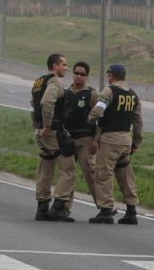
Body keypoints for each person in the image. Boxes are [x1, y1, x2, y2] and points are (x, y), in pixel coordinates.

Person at [88, 64, 143, 225]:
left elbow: (98, 110)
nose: (108, 77)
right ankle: (131, 211)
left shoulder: (109, 91)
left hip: (110, 139)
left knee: (103, 174)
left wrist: (89, 119)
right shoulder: (133, 95)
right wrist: (136, 142)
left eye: (109, 75)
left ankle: (106, 210)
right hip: (126, 139)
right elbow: (138, 122)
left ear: (112, 75)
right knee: (125, 174)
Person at [31, 53, 76, 222]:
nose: (66, 68)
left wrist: (39, 127)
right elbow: (46, 102)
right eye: (64, 64)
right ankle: (58, 206)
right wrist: (48, 126)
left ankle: (42, 207)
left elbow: (33, 105)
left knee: (46, 168)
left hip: (40, 131)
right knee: (69, 169)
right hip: (53, 131)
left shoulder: (38, 82)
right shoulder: (55, 82)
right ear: (55, 66)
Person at [63, 61, 98, 211]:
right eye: (76, 73)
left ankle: (104, 207)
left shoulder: (92, 94)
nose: (78, 76)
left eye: (82, 74)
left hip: (86, 141)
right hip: (68, 140)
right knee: (67, 175)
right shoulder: (66, 93)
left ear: (87, 77)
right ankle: (64, 207)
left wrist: (96, 139)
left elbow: (100, 118)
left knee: (91, 174)